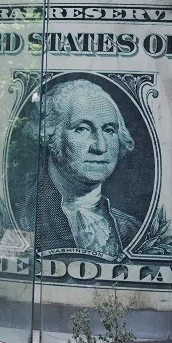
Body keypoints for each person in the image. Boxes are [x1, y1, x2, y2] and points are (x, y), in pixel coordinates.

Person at [33, 79, 142, 255]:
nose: (100, 147)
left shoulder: (133, 229)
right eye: (82, 128)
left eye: (109, 130)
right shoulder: (24, 216)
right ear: (51, 134)